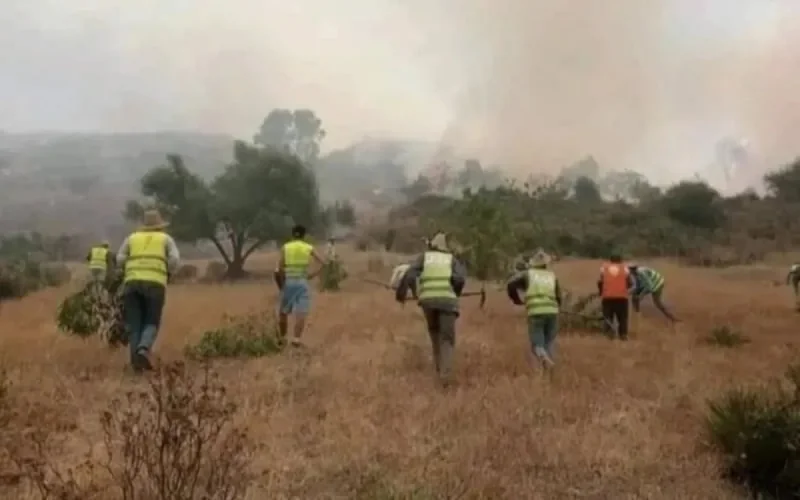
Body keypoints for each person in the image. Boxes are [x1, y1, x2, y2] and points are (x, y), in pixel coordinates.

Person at [395, 231, 466, 386]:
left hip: (428, 302)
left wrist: (405, 294)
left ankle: (439, 369)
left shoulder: (424, 257)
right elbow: (460, 279)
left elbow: (409, 275)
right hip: (447, 303)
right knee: (447, 339)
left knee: (435, 335)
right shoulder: (451, 259)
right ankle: (445, 376)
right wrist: (455, 292)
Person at [116, 209, 180, 372]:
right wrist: (168, 272)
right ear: (160, 225)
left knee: (135, 324)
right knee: (151, 320)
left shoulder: (132, 238)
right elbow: (174, 259)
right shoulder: (165, 239)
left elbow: (120, 259)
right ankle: (144, 348)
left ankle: (136, 365)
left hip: (131, 284)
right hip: (155, 284)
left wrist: (127, 269)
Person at [506, 250, 562, 368]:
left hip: (536, 312)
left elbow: (511, 284)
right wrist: (557, 307)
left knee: (537, 344)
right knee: (549, 343)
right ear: (546, 264)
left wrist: (516, 300)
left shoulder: (527, 274)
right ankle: (548, 369)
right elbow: (559, 296)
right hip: (552, 312)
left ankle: (543, 358)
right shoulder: (552, 276)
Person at [276, 224, 326, 347]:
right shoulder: (308, 247)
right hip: (302, 282)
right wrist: (313, 274)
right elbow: (322, 262)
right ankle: (296, 339)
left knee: (283, 312)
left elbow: (280, 267)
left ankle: (282, 338)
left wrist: (282, 283)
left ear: (292, 235)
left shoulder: (286, 247)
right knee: (301, 312)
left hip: (289, 282)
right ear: (304, 235)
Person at [598, 253, 635, 340]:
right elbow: (630, 283)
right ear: (620, 260)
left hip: (607, 297)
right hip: (622, 297)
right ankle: (623, 335)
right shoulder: (625, 269)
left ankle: (609, 334)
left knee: (607, 317)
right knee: (622, 318)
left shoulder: (604, 268)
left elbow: (601, 282)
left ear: (610, 260)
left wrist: (601, 292)